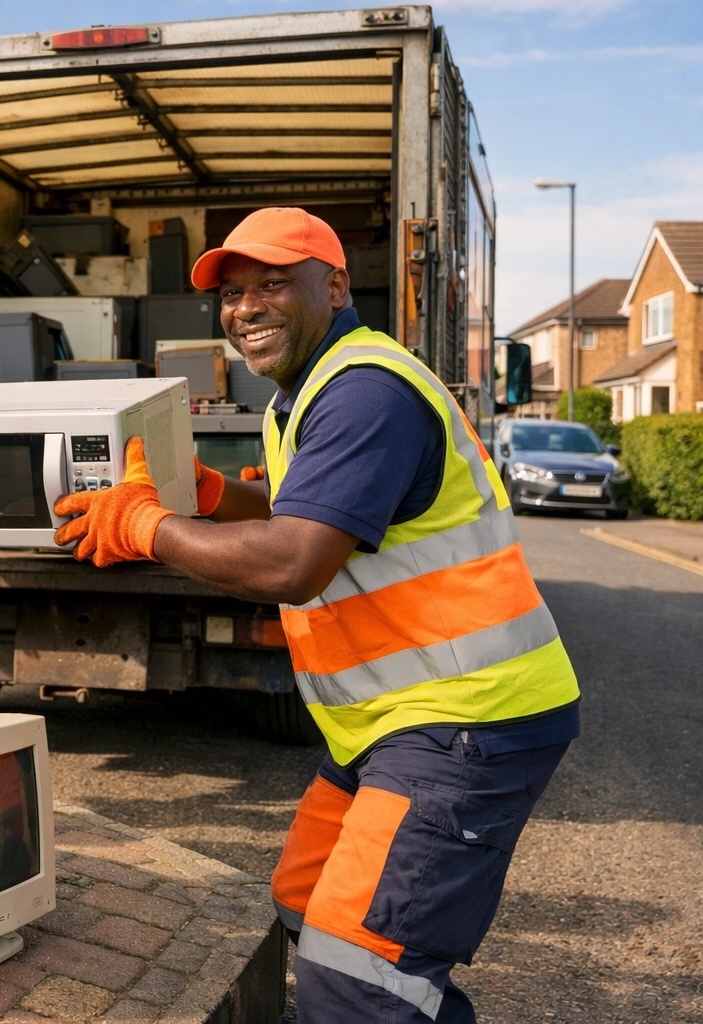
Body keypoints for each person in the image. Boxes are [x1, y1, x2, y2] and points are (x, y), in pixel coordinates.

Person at [54, 208, 579, 1023]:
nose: (245, 308)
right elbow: (309, 510)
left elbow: (294, 562)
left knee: (355, 980)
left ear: (335, 286)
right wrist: (219, 496)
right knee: (304, 904)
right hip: (389, 724)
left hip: (465, 721)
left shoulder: (366, 391)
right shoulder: (303, 395)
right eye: (231, 294)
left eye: (271, 284)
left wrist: (148, 526)